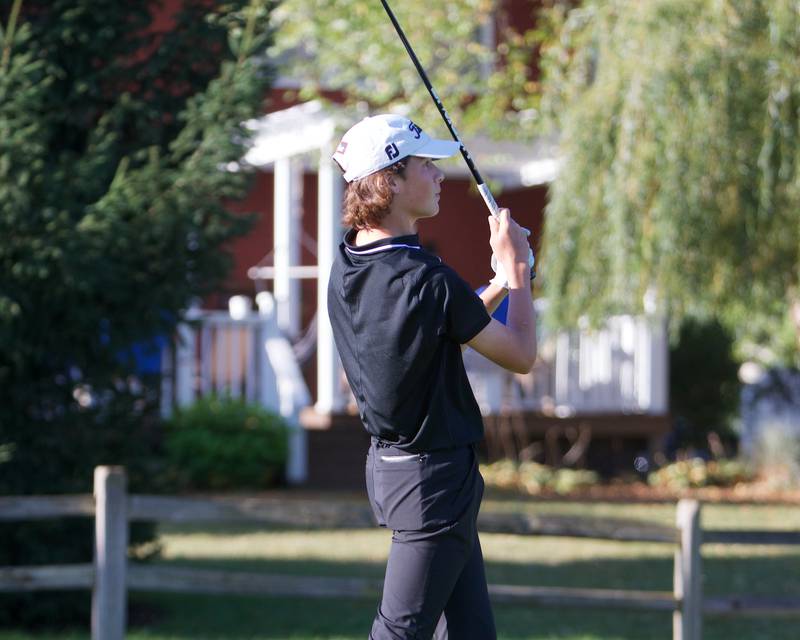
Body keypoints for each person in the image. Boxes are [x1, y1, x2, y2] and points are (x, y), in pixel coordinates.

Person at [327, 113, 537, 640]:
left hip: (402, 473)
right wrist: (520, 278)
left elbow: (441, 321)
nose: (442, 175)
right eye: (426, 164)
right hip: (432, 484)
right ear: (390, 181)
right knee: (400, 632)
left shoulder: (350, 263)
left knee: (469, 633)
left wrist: (494, 283)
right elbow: (521, 353)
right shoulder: (427, 279)